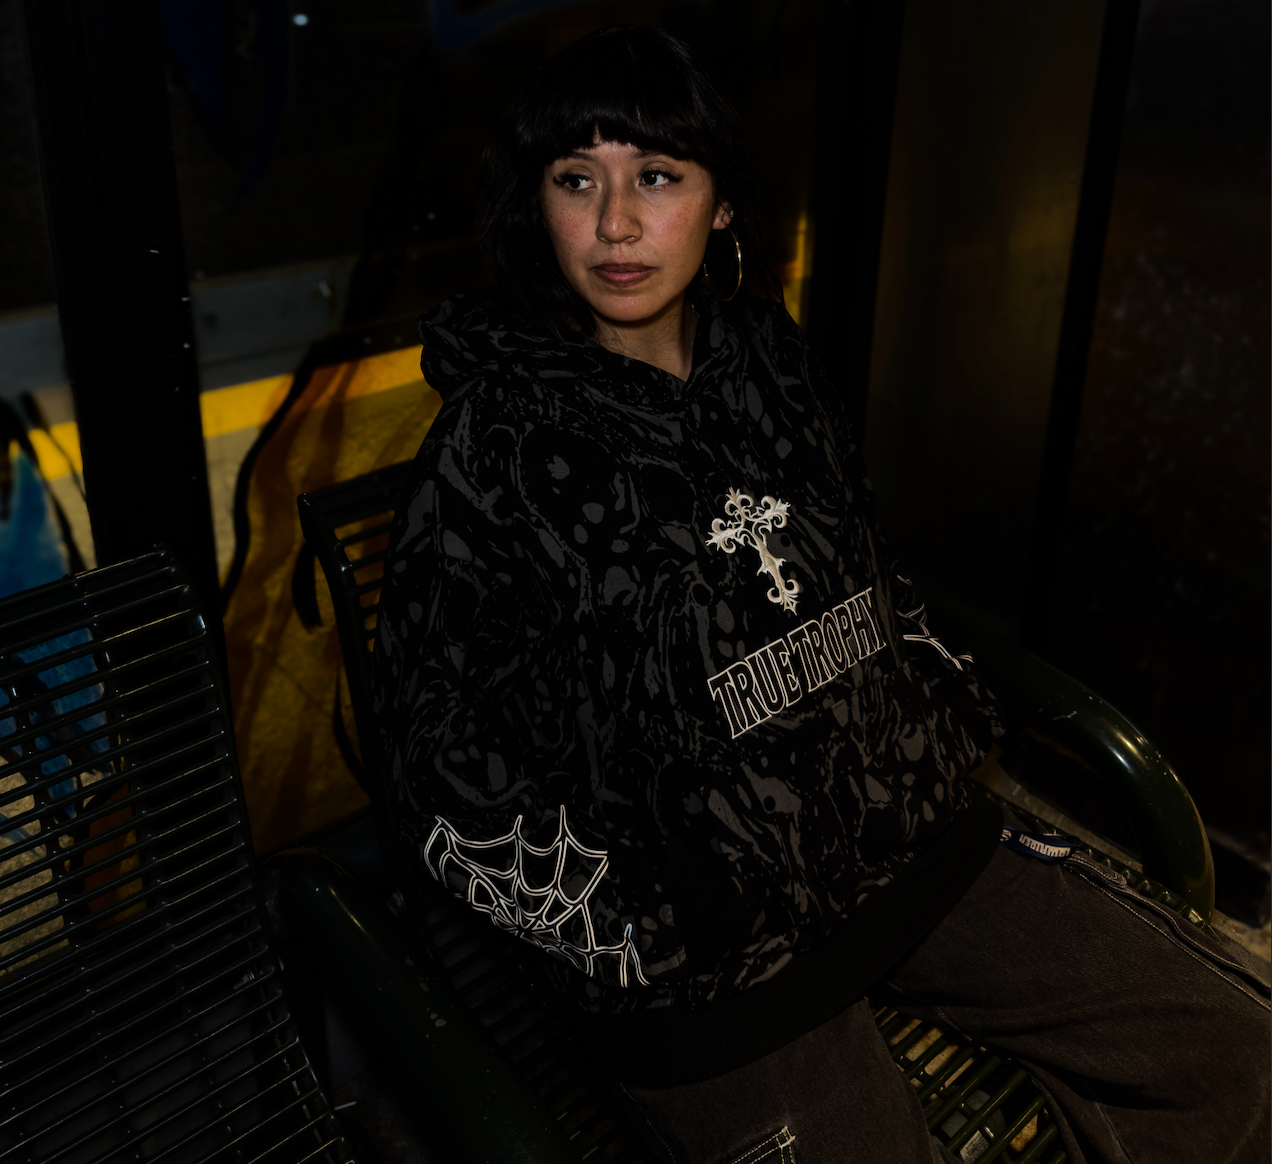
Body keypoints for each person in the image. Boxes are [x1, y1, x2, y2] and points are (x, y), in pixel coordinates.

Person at [370, 25, 1269, 1164]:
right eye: (576, 180)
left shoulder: (769, 359)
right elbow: (427, 754)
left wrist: (938, 717)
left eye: (658, 176)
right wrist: (639, 924)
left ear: (723, 204)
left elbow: (867, 567)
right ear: (535, 206)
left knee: (1238, 1053)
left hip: (905, 847)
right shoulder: (492, 451)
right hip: (717, 975)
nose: (616, 224)